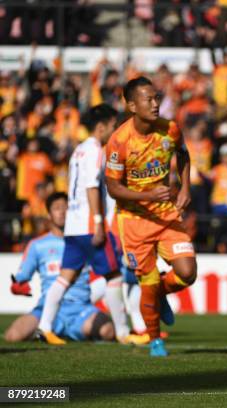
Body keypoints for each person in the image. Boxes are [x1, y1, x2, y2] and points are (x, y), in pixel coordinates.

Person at [36, 104, 145, 346]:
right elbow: (91, 187)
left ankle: (44, 326)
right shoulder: (96, 150)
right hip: (88, 224)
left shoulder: (78, 151)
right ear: (101, 127)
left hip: (73, 227)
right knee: (114, 275)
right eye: (113, 126)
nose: (115, 131)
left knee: (65, 277)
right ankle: (123, 333)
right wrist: (98, 222)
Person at [105, 76, 197, 357]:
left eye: (157, 97)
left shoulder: (169, 130)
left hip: (166, 214)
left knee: (187, 272)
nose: (156, 104)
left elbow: (183, 154)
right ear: (132, 105)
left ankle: (158, 294)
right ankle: (155, 340)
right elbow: (113, 188)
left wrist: (185, 187)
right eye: (149, 99)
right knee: (147, 280)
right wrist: (146, 196)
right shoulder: (119, 141)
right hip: (134, 221)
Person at [4, 192, 115, 343]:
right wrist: (17, 286)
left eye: (66, 207)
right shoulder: (37, 245)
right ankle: (54, 330)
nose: (62, 212)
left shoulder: (86, 241)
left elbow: (105, 269)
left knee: (108, 331)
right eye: (57, 208)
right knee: (13, 336)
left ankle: (69, 332)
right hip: (46, 310)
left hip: (80, 310)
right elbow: (21, 278)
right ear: (49, 215)